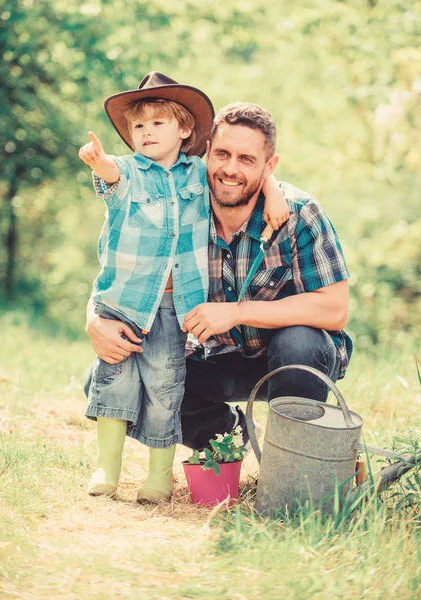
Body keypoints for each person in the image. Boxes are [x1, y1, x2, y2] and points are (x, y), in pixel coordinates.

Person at [86, 100, 353, 456]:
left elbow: (334, 309)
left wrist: (237, 311)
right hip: (213, 358)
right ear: (206, 152)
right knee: (102, 378)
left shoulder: (298, 213)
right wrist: (94, 319)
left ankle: (290, 465)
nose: (230, 169)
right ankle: (224, 436)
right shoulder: (180, 204)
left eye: (247, 160)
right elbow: (126, 272)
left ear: (269, 166)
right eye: (223, 154)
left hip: (285, 359)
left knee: (300, 343)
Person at [80, 74, 289, 502]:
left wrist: (272, 191)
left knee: (165, 383)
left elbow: (242, 169)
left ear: (185, 131)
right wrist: (99, 162)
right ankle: (108, 466)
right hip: (126, 302)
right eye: (139, 126)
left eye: (158, 124)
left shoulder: (198, 173)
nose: (147, 133)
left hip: (176, 305)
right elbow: (110, 177)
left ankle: (159, 475)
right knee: (114, 377)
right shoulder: (130, 172)